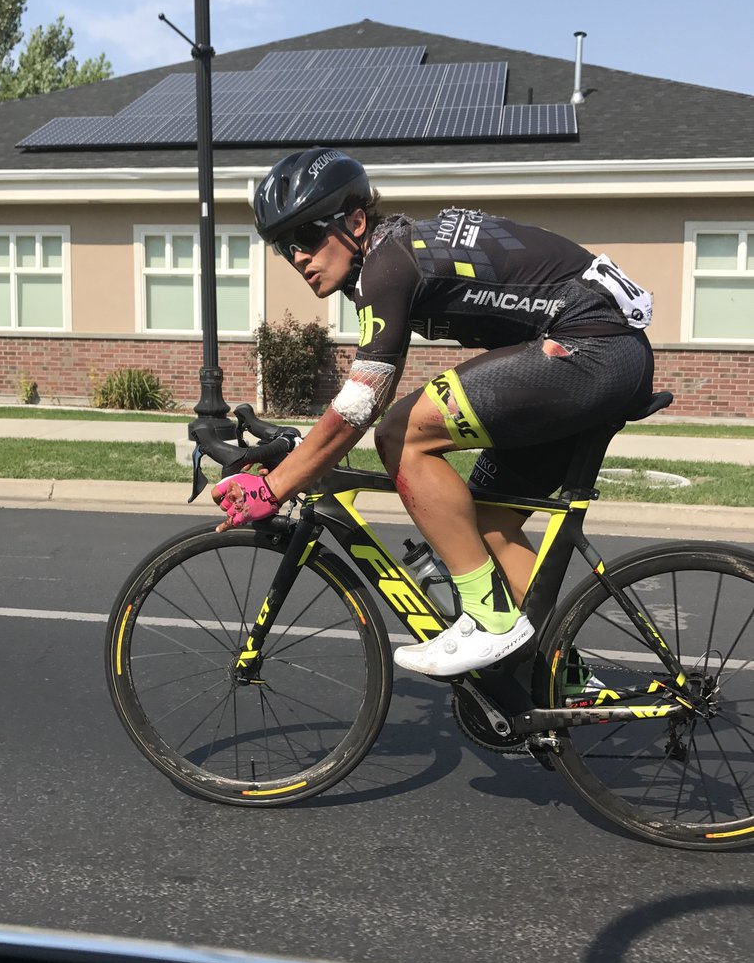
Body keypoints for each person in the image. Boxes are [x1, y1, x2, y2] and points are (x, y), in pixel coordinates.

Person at [212, 147, 654, 678]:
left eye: (307, 238)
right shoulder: (397, 253)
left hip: (588, 346)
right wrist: (298, 461)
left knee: (401, 433)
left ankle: (490, 621)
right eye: (286, 248)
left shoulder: (388, 265)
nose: (299, 257)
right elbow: (363, 396)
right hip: (601, 351)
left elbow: (362, 403)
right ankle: (565, 679)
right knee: (486, 518)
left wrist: (277, 485)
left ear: (355, 222)